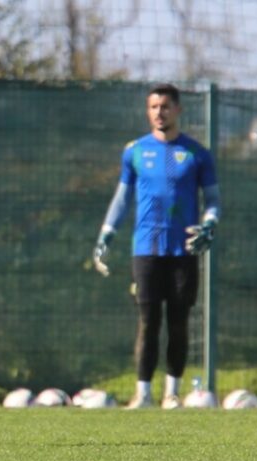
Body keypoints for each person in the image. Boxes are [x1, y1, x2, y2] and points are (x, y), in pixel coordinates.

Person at [93, 83, 221, 409]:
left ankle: (172, 393)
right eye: (153, 107)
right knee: (148, 320)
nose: (159, 112)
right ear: (147, 111)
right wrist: (107, 232)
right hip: (146, 248)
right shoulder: (135, 151)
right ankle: (143, 394)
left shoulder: (197, 154)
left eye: (165, 106)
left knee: (178, 320)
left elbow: (214, 201)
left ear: (178, 110)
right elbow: (122, 198)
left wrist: (209, 225)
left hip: (183, 250)